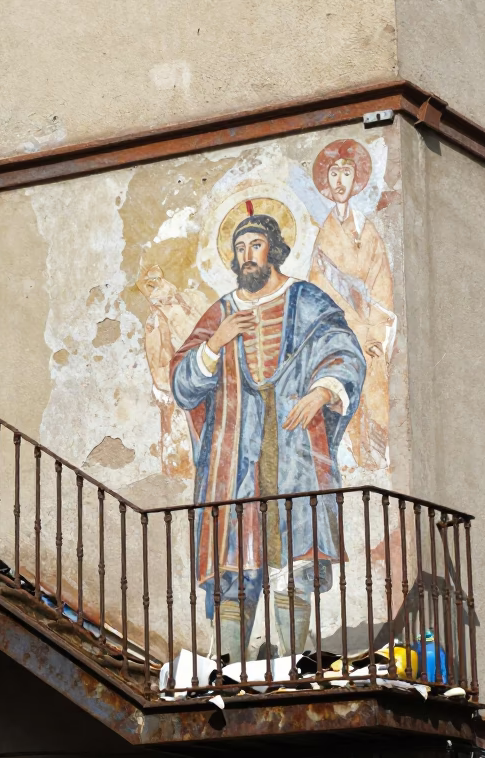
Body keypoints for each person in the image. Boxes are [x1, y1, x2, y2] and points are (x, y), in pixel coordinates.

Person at [171, 200, 366, 657]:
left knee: (293, 561)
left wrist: (322, 391)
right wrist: (215, 344)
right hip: (234, 457)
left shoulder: (305, 299)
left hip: (295, 450)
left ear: (273, 249)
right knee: (235, 567)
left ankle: (296, 658)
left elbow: (344, 349)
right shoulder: (220, 312)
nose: (247, 256)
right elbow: (182, 385)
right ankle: (234, 667)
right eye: (239, 248)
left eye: (255, 245)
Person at [307, 139, 397, 470]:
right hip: (339, 335)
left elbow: (381, 285)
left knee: (372, 402)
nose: (340, 181)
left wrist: (375, 332)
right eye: (334, 174)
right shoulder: (325, 233)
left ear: (356, 179)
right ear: (326, 182)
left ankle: (372, 466)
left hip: (368, 336)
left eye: (347, 173)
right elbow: (317, 288)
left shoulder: (369, 231)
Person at [136, 264, 211, 478]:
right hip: (179, 405)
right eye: (151, 283)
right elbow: (161, 377)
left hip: (200, 396)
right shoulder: (155, 324)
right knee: (183, 466)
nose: (158, 288)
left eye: (159, 280)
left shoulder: (192, 303)